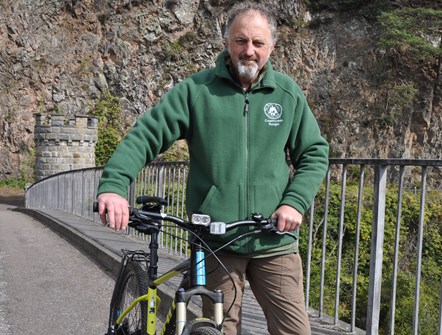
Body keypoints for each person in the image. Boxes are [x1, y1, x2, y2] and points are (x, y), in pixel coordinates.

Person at [96, 2, 329, 334]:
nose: (249, 51)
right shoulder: (197, 91)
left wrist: (295, 201)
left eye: (258, 43)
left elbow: (314, 153)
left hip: (273, 241)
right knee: (218, 330)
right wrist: (114, 186)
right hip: (217, 241)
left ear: (271, 47)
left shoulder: (287, 94)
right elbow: (147, 135)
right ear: (227, 43)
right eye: (241, 41)